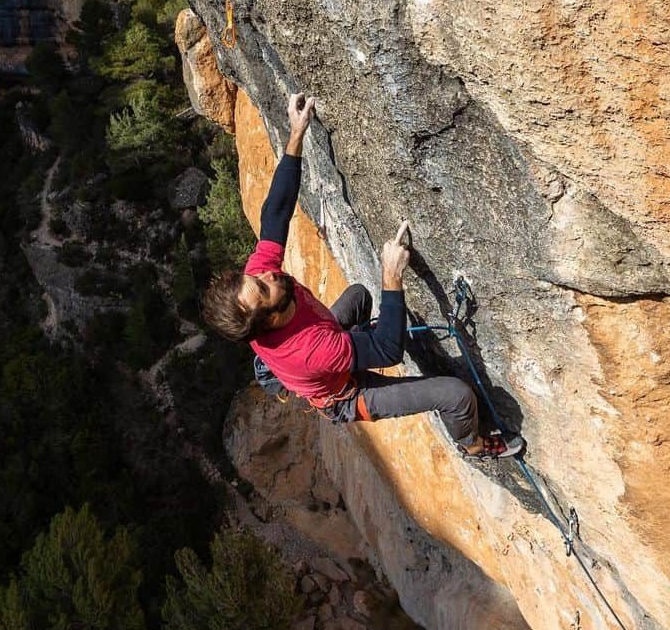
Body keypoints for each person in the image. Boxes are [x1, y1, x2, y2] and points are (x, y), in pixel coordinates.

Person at [201, 93, 523, 458]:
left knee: (357, 296)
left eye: (257, 278)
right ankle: (475, 445)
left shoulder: (259, 292)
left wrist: (296, 134)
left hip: (325, 352)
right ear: (270, 318)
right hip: (347, 395)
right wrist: (392, 275)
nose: (268, 275)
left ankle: (351, 347)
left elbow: (275, 213)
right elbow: (388, 351)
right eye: (263, 287)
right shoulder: (312, 351)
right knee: (455, 394)